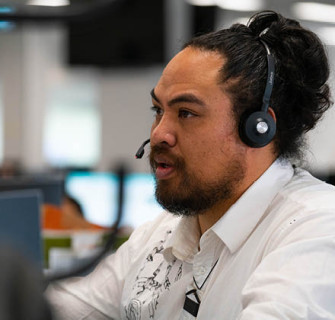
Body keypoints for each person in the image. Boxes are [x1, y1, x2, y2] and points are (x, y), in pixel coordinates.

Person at [46, 10, 335, 319]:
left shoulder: (317, 229)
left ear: (258, 129)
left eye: (186, 113)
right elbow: (63, 307)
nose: (159, 134)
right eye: (158, 109)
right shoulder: (161, 234)